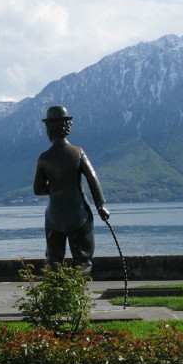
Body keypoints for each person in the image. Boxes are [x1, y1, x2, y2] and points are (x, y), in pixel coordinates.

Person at [33, 105, 110, 275]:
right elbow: (92, 179)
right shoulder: (78, 153)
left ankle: (56, 294)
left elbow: (38, 189)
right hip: (79, 213)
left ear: (49, 129)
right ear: (68, 127)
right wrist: (100, 205)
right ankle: (74, 292)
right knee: (83, 259)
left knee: (53, 260)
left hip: (54, 216)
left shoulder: (44, 158)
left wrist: (54, 188)